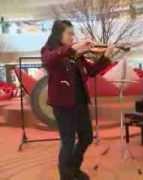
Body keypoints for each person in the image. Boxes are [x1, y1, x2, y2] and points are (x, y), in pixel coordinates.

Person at [41, 20, 115, 180]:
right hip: (63, 105)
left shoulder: (76, 55)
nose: (72, 36)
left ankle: (73, 168)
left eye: (72, 33)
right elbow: (49, 60)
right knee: (68, 142)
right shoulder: (49, 50)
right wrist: (74, 48)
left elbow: (92, 71)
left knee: (87, 137)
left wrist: (106, 57)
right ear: (58, 34)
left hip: (80, 103)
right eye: (69, 33)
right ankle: (66, 176)